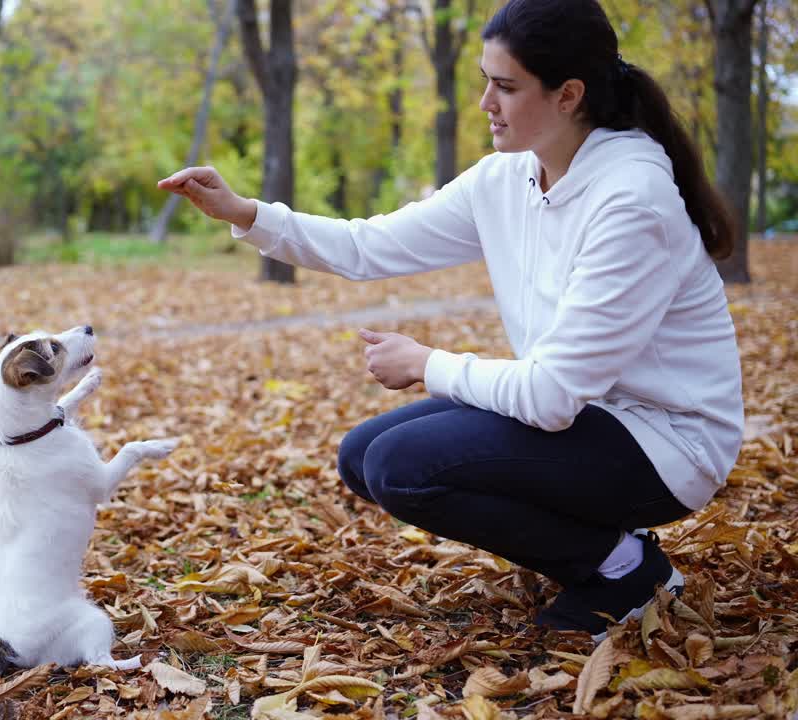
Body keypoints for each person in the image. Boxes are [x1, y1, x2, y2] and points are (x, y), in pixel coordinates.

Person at [157, 0, 743, 641]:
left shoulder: (631, 201)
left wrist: (426, 364)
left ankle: (625, 571)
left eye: (506, 87)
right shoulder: (509, 178)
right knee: (363, 456)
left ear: (568, 95)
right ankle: (605, 545)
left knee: (403, 466)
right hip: (589, 414)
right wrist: (244, 212)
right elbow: (368, 246)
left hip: (666, 445)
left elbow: (550, 395)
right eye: (485, 81)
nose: (486, 103)